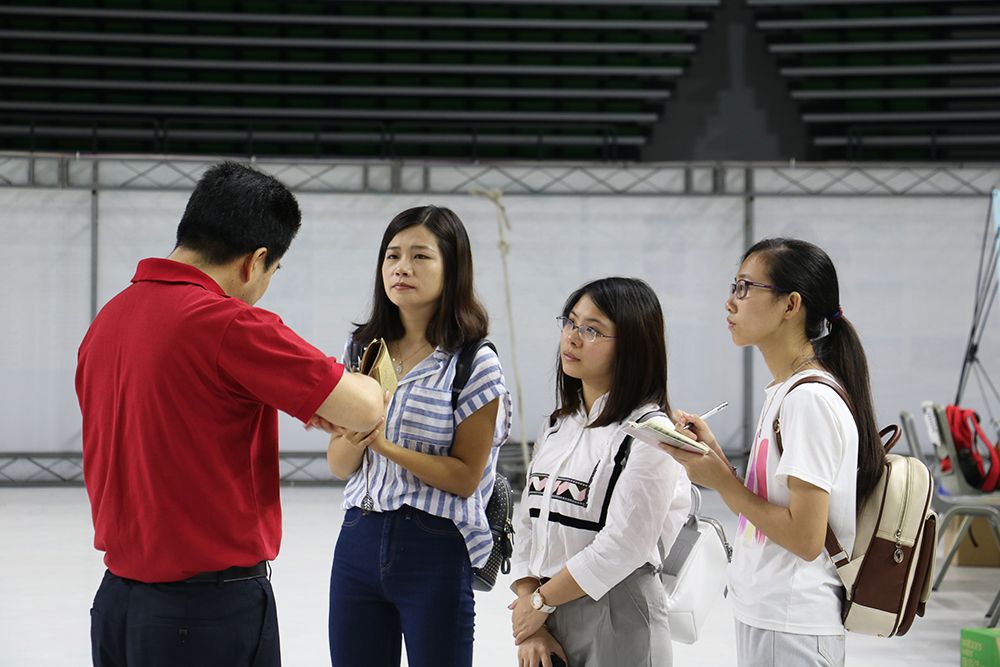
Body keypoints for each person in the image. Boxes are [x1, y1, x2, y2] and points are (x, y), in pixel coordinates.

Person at [76, 162, 385, 667]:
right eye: (273, 272)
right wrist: (344, 394)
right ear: (255, 260)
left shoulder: (110, 319)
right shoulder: (227, 324)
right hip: (204, 615)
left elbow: (184, 413)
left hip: (118, 605)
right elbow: (366, 404)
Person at [662, 238, 886, 667]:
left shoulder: (809, 400)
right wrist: (716, 458)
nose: (731, 302)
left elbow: (804, 538)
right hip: (771, 614)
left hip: (793, 622)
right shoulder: (786, 391)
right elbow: (774, 506)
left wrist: (722, 482)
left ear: (791, 305)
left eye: (746, 287)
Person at [326, 205, 511, 667]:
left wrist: (384, 444)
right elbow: (338, 464)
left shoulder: (473, 363)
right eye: (392, 255)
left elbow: (466, 477)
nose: (401, 268)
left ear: (453, 268)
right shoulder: (362, 351)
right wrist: (356, 434)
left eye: (420, 256)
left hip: (434, 544)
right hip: (357, 537)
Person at [508, 277, 692, 667]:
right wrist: (532, 611)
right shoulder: (559, 425)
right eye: (570, 322)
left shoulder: (651, 435)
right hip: (547, 614)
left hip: (617, 614)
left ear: (632, 347)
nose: (572, 338)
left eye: (591, 330)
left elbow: (625, 544)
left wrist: (540, 602)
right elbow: (527, 521)